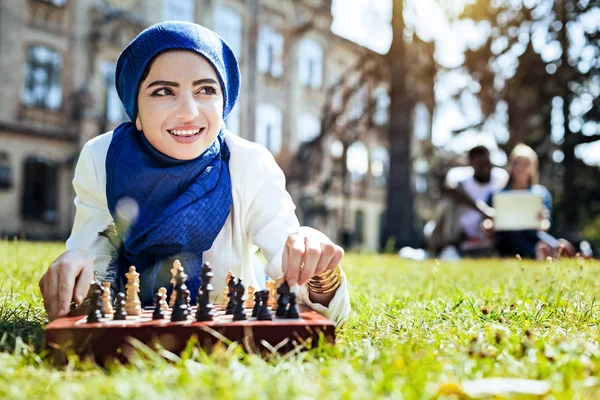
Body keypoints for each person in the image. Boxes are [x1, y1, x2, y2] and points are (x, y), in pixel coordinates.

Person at [38, 21, 350, 324]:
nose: (188, 111)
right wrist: (78, 269)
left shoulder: (250, 164)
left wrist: (317, 268)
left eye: (205, 90)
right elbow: (96, 266)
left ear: (224, 102)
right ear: (136, 111)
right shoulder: (101, 159)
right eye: (163, 92)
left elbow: (299, 280)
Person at [488, 144, 574, 260]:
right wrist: (488, 225)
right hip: (505, 236)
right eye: (517, 164)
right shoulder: (497, 193)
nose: (521, 168)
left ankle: (554, 250)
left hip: (532, 234)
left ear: (533, 167)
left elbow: (545, 225)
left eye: (525, 164)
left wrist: (542, 220)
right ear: (511, 166)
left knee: (532, 236)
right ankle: (543, 252)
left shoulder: (541, 194)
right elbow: (488, 221)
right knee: (515, 236)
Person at [427, 145, 508, 257]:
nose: (485, 168)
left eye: (487, 163)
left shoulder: (500, 177)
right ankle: (444, 245)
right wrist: (484, 211)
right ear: (471, 164)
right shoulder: (459, 175)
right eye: (480, 164)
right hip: (460, 231)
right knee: (448, 203)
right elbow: (450, 189)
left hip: (489, 230)